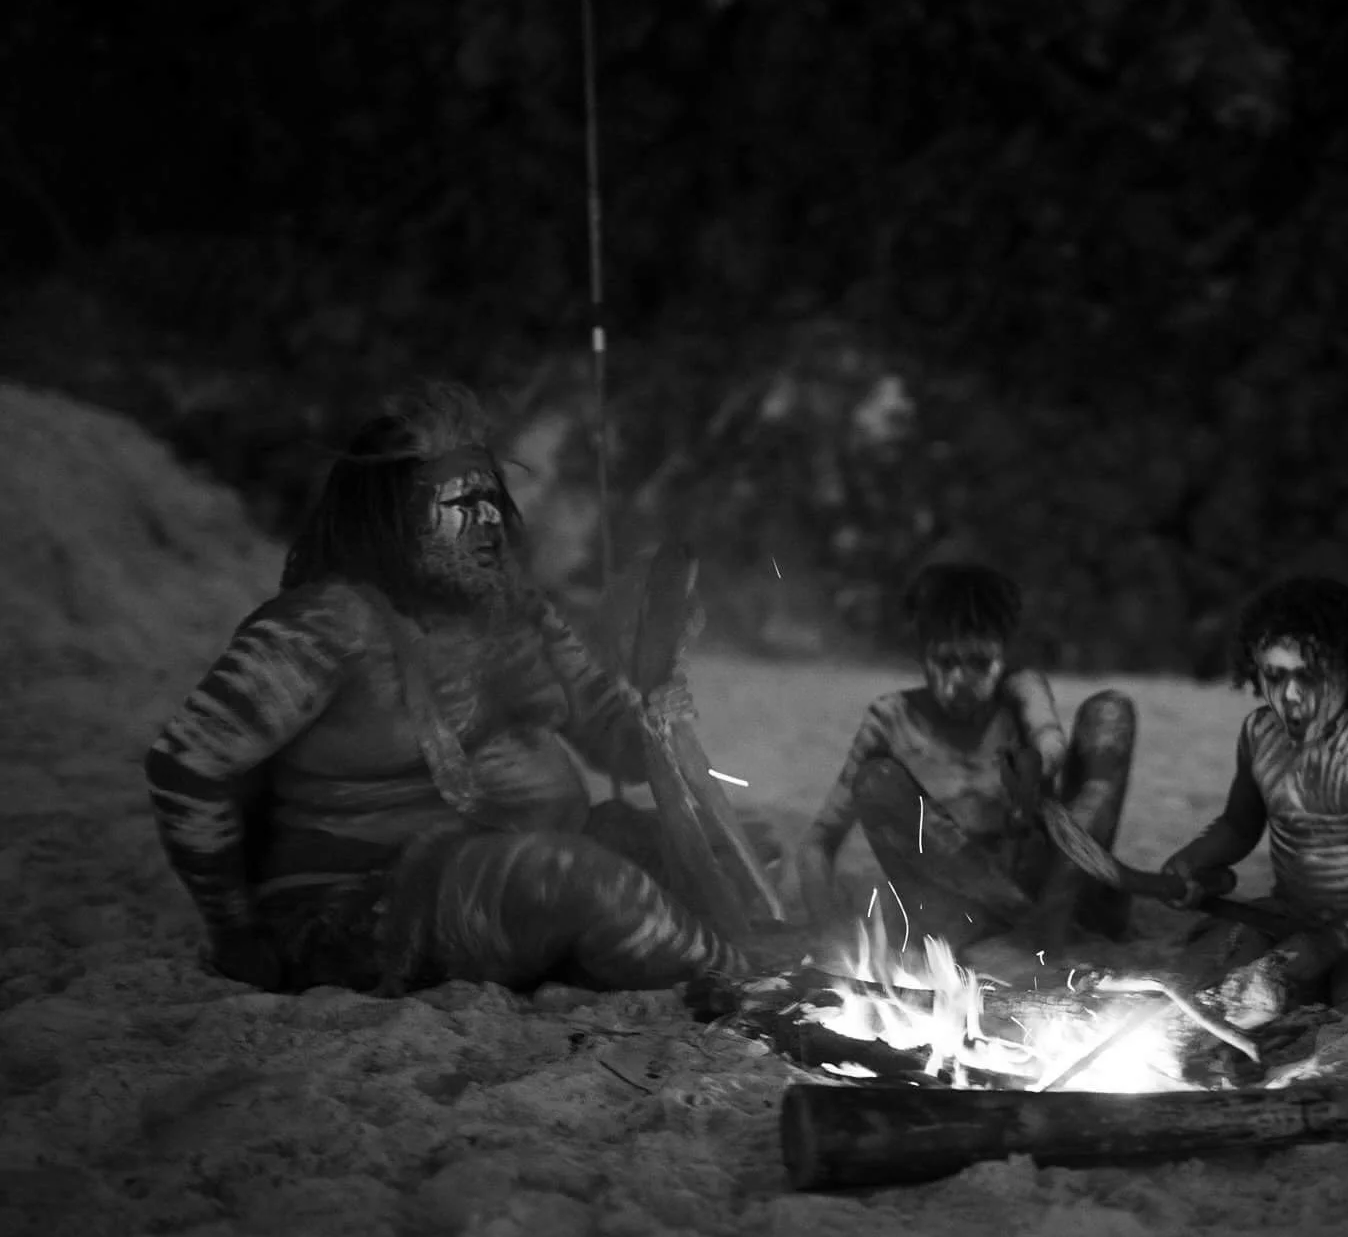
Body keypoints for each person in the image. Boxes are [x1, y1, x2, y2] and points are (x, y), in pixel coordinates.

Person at [144, 385, 758, 996]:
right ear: (397, 516)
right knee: (585, 884)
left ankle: (688, 953)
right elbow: (187, 766)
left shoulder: (518, 612)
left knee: (739, 850)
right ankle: (759, 988)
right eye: (464, 500)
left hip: (516, 866)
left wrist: (656, 704)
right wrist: (234, 931)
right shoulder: (326, 624)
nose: (490, 516)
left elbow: (614, 737)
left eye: (492, 496)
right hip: (367, 906)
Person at [788, 560, 1138, 959]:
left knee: (1110, 712)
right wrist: (832, 937)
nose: (960, 682)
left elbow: (1050, 741)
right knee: (875, 781)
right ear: (922, 655)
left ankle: (1055, 923)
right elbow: (817, 844)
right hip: (964, 914)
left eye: (979, 663)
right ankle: (1029, 932)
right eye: (946, 662)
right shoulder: (891, 719)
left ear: (1003, 657)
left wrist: (1034, 767)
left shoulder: (1019, 693)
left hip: (1054, 890)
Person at [1158, 576, 1348, 1008]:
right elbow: (1239, 824)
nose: (1290, 694)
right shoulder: (1259, 731)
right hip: (1287, 917)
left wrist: (1331, 943)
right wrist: (1193, 861)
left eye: (1310, 676)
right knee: (1208, 986)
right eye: (1274, 675)